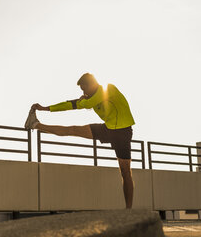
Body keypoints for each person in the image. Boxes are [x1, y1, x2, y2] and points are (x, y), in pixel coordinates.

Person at [24, 73, 135, 209]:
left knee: (125, 171)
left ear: (93, 84)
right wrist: (45, 108)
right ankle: (35, 125)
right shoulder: (89, 98)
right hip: (108, 129)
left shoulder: (108, 89)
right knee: (73, 130)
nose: (83, 92)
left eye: (84, 89)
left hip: (122, 132)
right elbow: (71, 105)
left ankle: (129, 210)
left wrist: (82, 101)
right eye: (82, 90)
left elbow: (88, 103)